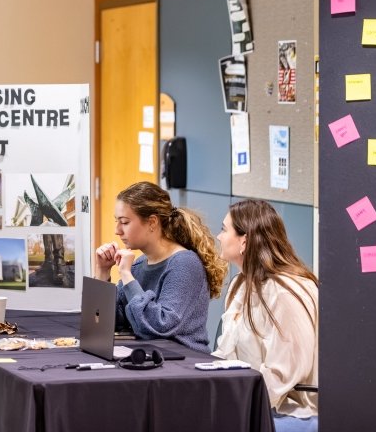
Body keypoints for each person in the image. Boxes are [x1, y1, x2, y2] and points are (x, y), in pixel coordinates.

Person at [213, 199, 318, 432]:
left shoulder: (285, 293)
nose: (218, 237)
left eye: (224, 229)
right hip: (254, 401)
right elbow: (226, 354)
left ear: (245, 241)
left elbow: (282, 375)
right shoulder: (240, 284)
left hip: (288, 412)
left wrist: (233, 406)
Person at [94, 181, 227, 352]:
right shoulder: (140, 264)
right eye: (117, 222)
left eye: (124, 222)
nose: (117, 230)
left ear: (152, 222)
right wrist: (103, 273)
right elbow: (108, 321)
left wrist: (126, 276)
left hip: (183, 363)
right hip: (152, 359)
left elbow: (159, 327)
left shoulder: (184, 264)